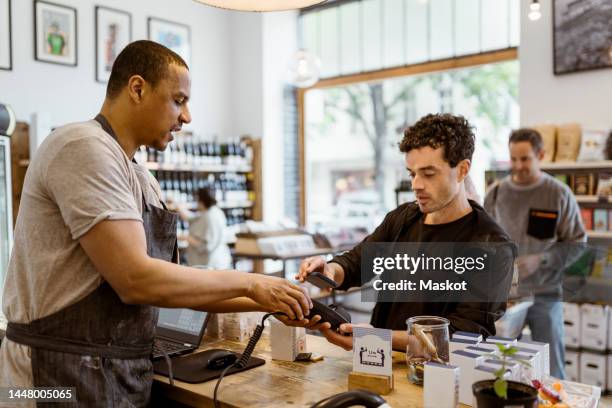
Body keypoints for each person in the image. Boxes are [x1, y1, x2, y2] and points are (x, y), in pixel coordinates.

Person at [0, 40, 311, 406]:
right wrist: (252, 282)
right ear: (137, 88)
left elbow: (172, 287)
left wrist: (274, 300)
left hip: (115, 372)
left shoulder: (141, 175)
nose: (187, 117)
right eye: (179, 100)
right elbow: (136, 280)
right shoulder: (81, 146)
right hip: (47, 377)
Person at [288, 113, 515, 351]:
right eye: (412, 173)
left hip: (441, 376)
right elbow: (358, 262)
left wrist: (379, 339)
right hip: (380, 365)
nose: (416, 184)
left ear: (461, 170)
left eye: (428, 174)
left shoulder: (492, 246)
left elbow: (462, 335)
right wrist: (329, 270)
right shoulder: (404, 218)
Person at [484, 128, 586, 379]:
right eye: (514, 159)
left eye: (525, 159)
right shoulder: (496, 194)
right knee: (499, 369)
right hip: (504, 300)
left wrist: (542, 258)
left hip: (545, 296)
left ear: (540, 154)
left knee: (551, 370)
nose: (518, 166)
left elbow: (578, 242)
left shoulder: (558, 194)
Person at [175, 188, 232, 269]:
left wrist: (186, 237)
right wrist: (181, 209)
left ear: (201, 201)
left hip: (209, 265)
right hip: (217, 262)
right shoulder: (214, 211)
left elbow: (205, 246)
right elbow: (192, 218)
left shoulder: (209, 217)